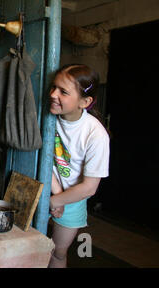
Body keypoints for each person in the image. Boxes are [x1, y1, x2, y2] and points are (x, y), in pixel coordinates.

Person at [48, 64, 110, 268]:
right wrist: (55, 193)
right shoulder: (49, 118)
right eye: (53, 87)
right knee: (32, 245)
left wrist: (59, 200)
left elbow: (89, 187)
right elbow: (44, 156)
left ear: (85, 102)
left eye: (63, 91)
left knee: (57, 252)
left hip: (74, 198)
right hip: (49, 187)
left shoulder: (95, 134)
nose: (53, 94)